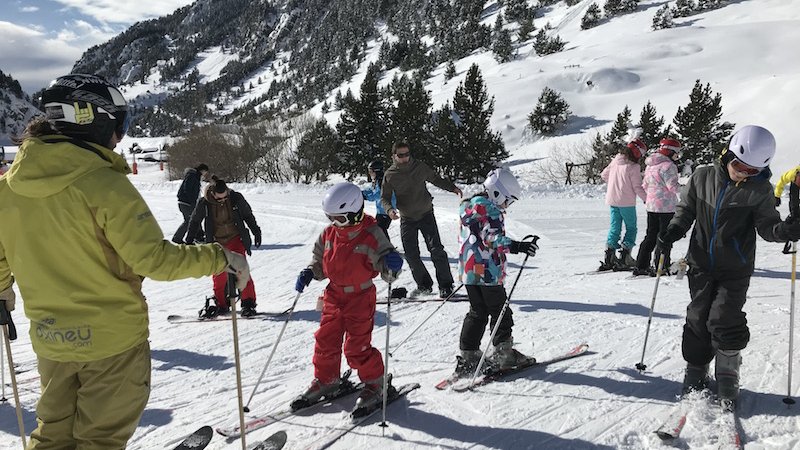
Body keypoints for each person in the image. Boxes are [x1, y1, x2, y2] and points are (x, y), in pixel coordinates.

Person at [0, 74, 250, 449]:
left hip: (51, 342)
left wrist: (3, 291)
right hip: (111, 342)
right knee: (99, 439)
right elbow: (155, 260)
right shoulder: (104, 184)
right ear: (93, 120)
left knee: (52, 434)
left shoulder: (8, 187)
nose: (119, 138)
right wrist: (221, 257)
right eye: (120, 124)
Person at [655, 125, 800, 406]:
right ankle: (696, 369)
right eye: (739, 166)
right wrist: (674, 230)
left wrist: (785, 231)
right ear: (727, 154)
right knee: (697, 317)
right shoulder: (702, 177)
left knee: (724, 317)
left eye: (752, 171)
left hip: (736, 267)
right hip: (700, 263)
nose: (743, 173)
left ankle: (728, 372)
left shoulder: (760, 190)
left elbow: (768, 226)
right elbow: (686, 210)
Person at [293, 182, 403, 412]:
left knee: (356, 347)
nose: (334, 222)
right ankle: (327, 379)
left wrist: (391, 265)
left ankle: (376, 382)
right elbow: (319, 259)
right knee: (325, 339)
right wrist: (311, 271)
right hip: (333, 295)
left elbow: (387, 271)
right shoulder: (329, 234)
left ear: (355, 213)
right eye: (330, 217)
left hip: (360, 296)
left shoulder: (371, 234)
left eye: (339, 218)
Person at [454, 168, 539, 377]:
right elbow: (491, 238)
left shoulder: (467, 207)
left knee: (477, 312)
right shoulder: (491, 210)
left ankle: (469, 355)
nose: (506, 206)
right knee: (501, 312)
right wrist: (517, 246)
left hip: (469, 271)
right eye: (507, 201)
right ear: (497, 193)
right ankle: (504, 354)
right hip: (488, 272)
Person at [381, 141, 462, 298]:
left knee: (436, 249)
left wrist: (452, 188)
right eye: (401, 155)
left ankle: (446, 285)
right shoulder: (390, 175)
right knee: (411, 254)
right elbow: (384, 197)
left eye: (407, 154)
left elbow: (435, 179)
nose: (405, 158)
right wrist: (389, 210)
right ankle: (424, 285)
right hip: (407, 219)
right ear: (394, 156)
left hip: (426, 215)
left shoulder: (419, 167)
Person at [187, 176, 261, 318]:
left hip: (236, 238)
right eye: (219, 198)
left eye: (224, 197)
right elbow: (195, 220)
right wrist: (189, 239)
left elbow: (247, 215)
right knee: (219, 274)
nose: (222, 200)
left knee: (241, 270)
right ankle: (221, 304)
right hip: (217, 243)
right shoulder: (204, 203)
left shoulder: (235, 198)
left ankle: (248, 303)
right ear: (213, 194)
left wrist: (256, 231)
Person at [633, 138, 682, 276]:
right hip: (666, 207)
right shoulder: (669, 166)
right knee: (664, 237)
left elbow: (645, 185)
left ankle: (641, 265)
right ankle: (662, 265)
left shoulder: (651, 165)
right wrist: (687, 189)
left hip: (652, 206)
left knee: (651, 236)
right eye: (677, 153)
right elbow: (672, 186)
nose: (677, 156)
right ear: (670, 152)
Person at [599, 138, 647, 271]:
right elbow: (637, 187)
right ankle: (625, 256)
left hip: (612, 200)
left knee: (615, 228)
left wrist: (615, 182)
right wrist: (646, 199)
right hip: (626, 202)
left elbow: (604, 175)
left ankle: (609, 256)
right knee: (631, 228)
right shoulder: (633, 167)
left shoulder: (616, 160)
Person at [172, 163, 209, 244]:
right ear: (202, 170)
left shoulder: (195, 176)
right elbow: (187, 188)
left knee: (194, 219)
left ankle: (198, 236)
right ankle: (177, 238)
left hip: (188, 202)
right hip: (186, 203)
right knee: (189, 221)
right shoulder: (192, 176)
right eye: (205, 172)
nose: (205, 174)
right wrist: (192, 201)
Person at [361, 159, 395, 236]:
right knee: (379, 229)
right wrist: (361, 193)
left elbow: (377, 195)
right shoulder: (378, 180)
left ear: (376, 171)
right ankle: (383, 242)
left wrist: (365, 196)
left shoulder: (382, 181)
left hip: (386, 210)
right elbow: (372, 190)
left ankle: (385, 243)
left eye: (371, 171)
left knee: (380, 230)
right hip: (382, 210)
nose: (370, 174)